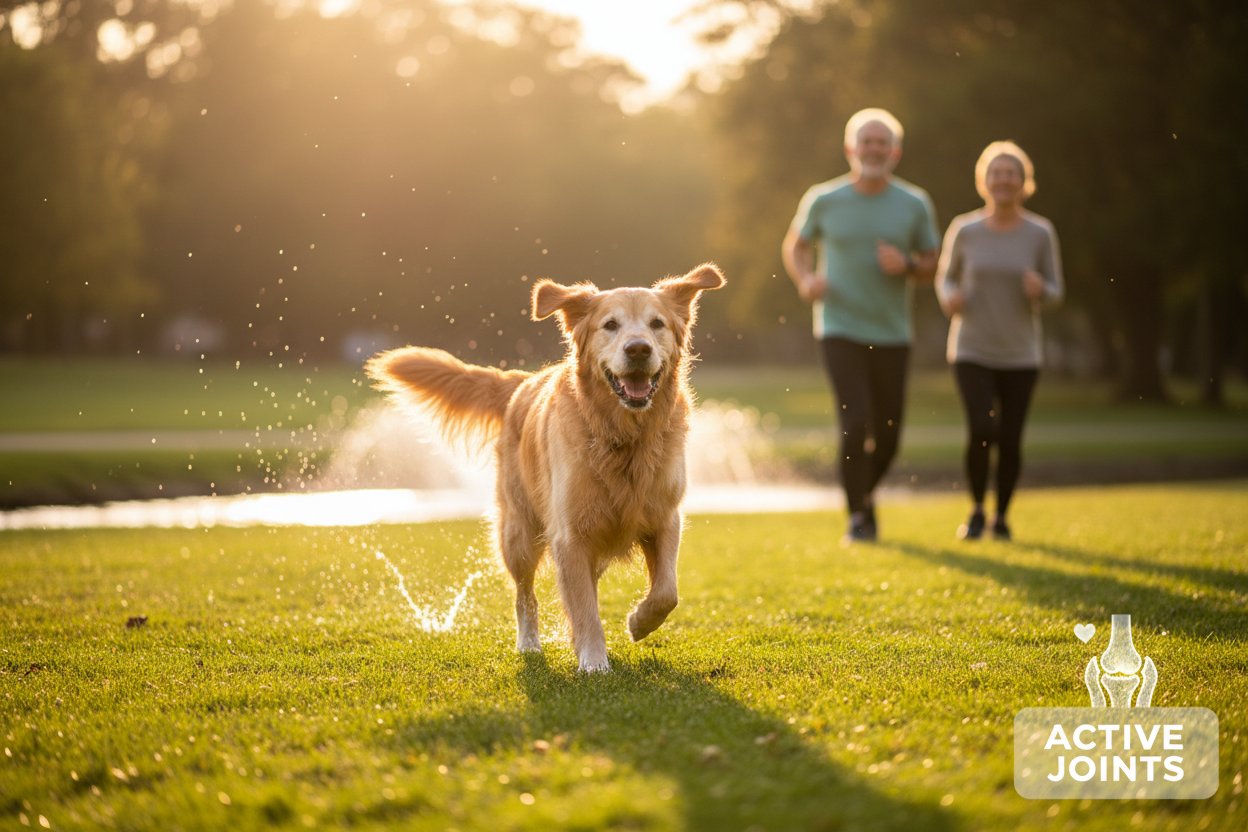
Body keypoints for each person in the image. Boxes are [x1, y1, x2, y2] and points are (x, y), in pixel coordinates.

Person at [782, 108, 939, 542]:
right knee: (856, 422)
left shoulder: (914, 203)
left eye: (882, 142)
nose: (873, 149)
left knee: (888, 437)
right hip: (839, 327)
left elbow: (932, 262)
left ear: (895, 152)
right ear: (850, 148)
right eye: (866, 141)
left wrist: (907, 264)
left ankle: (862, 497)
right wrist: (807, 279)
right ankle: (857, 517)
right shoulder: (824, 199)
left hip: (892, 333)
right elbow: (796, 246)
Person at [935, 141, 1064, 541]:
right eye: (996, 173)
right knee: (981, 428)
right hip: (971, 347)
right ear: (984, 181)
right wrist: (950, 297)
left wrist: (1041, 289)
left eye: (1011, 173)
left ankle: (1002, 515)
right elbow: (945, 278)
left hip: (1021, 353)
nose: (1003, 180)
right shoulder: (965, 229)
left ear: (1024, 182)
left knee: (1010, 437)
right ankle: (976, 509)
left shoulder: (1040, 232)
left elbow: (1056, 291)